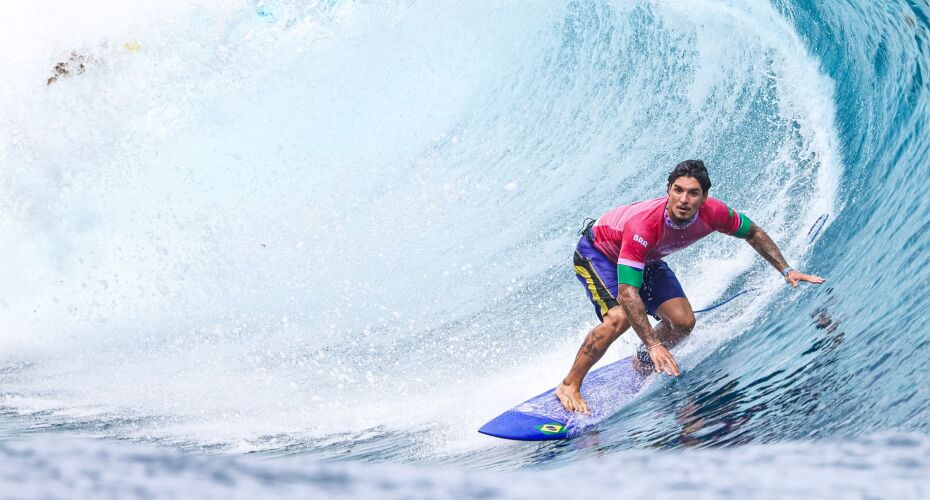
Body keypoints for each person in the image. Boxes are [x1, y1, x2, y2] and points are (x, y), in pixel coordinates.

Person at [555, 160, 825, 414]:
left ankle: (642, 362)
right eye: (678, 190)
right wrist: (653, 343)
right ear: (668, 191)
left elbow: (752, 232)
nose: (684, 200)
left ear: (704, 197)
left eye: (693, 193)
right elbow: (627, 293)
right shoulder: (644, 225)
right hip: (599, 253)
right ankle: (570, 384)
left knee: (683, 322)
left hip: (645, 258)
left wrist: (787, 270)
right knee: (619, 317)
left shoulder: (714, 213)